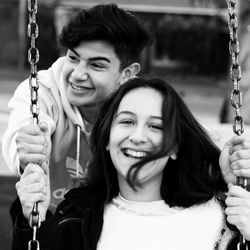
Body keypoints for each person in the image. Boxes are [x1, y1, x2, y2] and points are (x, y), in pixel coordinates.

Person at [13, 77, 250, 250]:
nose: (138, 136)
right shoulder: (75, 219)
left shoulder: (220, 219)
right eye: (127, 121)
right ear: (107, 138)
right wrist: (32, 223)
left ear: (175, 147)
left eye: (155, 126)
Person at [2, 3, 152, 208]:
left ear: (126, 73)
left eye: (96, 65)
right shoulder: (42, 90)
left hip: (108, 215)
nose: (77, 74)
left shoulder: (142, 105)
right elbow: (22, 131)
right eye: (73, 58)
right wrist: (27, 151)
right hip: (52, 213)